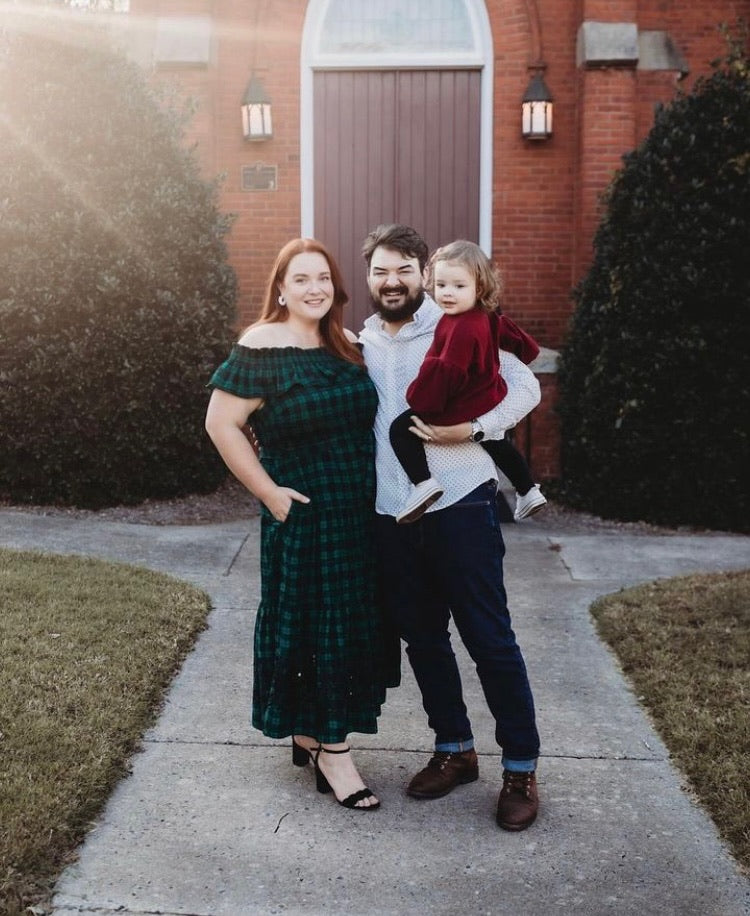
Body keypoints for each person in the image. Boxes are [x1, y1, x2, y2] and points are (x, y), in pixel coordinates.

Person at [205, 238, 399, 811]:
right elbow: (221, 424)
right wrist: (269, 493)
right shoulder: (261, 345)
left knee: (345, 624)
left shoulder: (347, 345)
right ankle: (335, 753)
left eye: (323, 278)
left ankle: (311, 734)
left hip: (356, 513)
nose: (315, 289)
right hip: (303, 513)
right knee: (314, 623)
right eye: (302, 279)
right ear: (282, 289)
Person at [359, 224, 542, 831]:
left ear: (424, 273)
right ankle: (454, 750)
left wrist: (474, 430)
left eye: (404, 270)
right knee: (424, 640)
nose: (392, 281)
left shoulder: (459, 320)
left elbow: (526, 387)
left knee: (489, 639)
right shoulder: (361, 342)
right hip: (394, 511)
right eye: (381, 271)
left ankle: (520, 769)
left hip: (461, 504)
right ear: (370, 278)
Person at [388, 239, 547, 523]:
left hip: (460, 404)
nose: (448, 293)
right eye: (441, 285)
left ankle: (423, 484)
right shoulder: (485, 315)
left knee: (400, 429)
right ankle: (527, 489)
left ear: (479, 287)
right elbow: (510, 336)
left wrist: (419, 400)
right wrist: (527, 349)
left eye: (459, 286)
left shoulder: (458, 327)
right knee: (495, 440)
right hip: (486, 396)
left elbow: (446, 373)